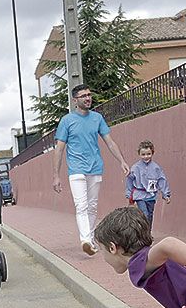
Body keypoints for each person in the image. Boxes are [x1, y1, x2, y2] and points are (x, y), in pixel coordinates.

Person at [52, 83, 132, 256]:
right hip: (76, 170)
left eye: (89, 95)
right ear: (75, 100)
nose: (88, 98)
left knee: (93, 206)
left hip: (95, 168)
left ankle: (89, 239)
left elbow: (109, 141)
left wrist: (122, 161)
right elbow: (59, 148)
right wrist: (56, 175)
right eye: (84, 96)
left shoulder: (97, 118)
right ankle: (86, 240)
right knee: (81, 205)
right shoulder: (67, 121)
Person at [124, 140, 172, 228]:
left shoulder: (156, 168)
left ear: (152, 153)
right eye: (143, 154)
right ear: (139, 154)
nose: (146, 156)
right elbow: (130, 180)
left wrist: (166, 194)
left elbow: (161, 180)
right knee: (144, 214)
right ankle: (143, 233)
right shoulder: (135, 167)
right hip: (140, 195)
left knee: (149, 215)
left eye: (148, 154)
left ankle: (148, 233)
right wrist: (128, 193)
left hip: (151, 195)